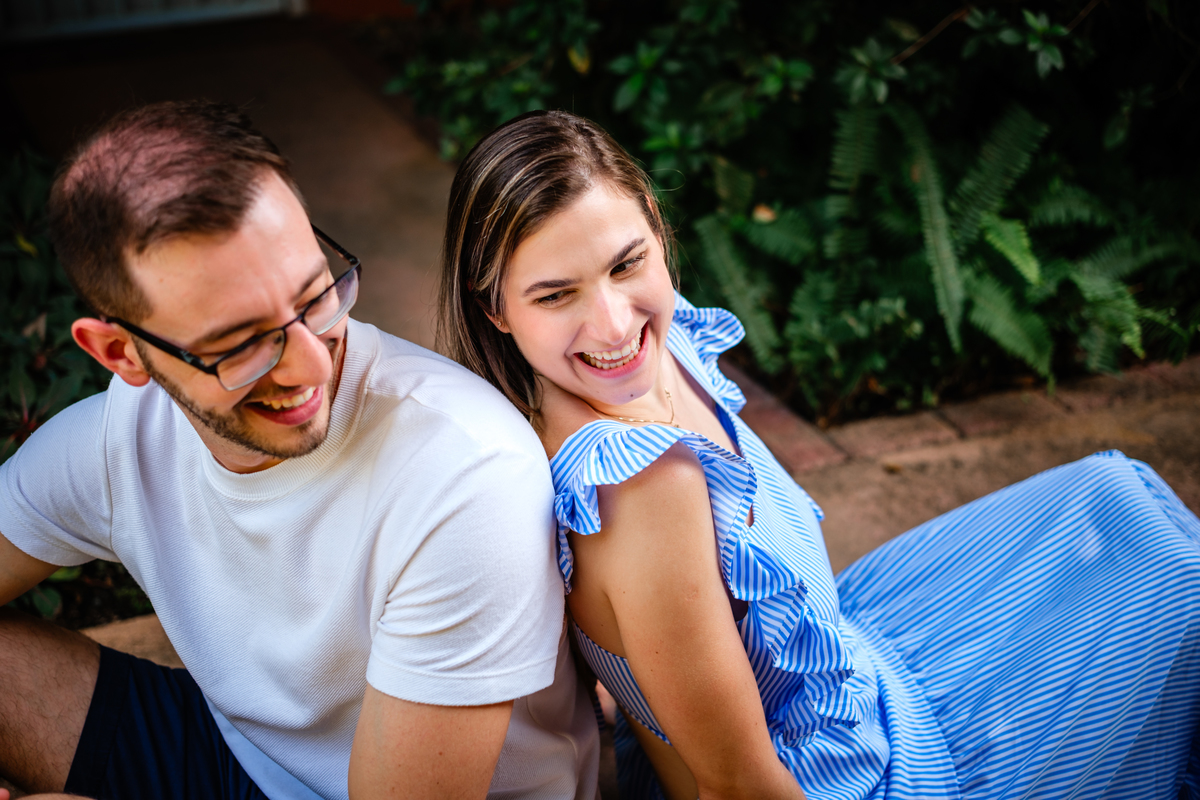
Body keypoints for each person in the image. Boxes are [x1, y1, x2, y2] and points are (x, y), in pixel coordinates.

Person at [438, 109, 1200, 800]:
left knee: (1116, 496)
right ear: (494, 309)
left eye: (626, 264)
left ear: (659, 232)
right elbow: (739, 782)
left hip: (840, 658)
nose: (611, 324)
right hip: (844, 775)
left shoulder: (657, 346)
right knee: (1174, 588)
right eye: (555, 294)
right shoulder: (642, 486)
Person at [0, 100, 599, 800]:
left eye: (316, 297)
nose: (312, 365)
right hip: (237, 758)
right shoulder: (117, 439)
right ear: (121, 352)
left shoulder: (465, 476)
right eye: (241, 344)